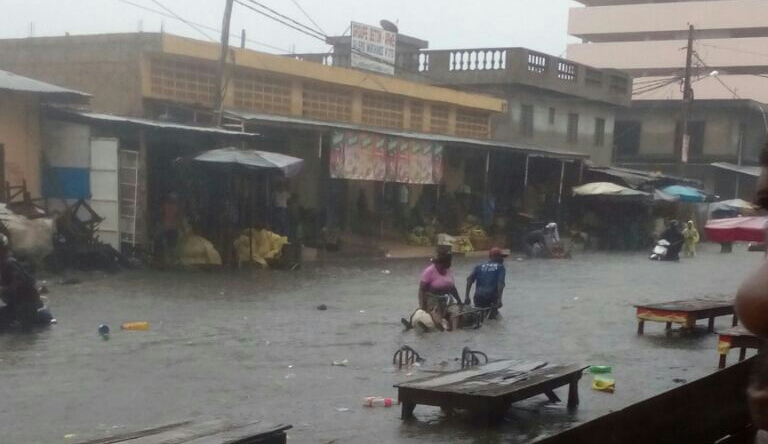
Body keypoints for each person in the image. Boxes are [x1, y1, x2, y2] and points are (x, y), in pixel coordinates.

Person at [0, 234, 53, 330]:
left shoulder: (9, 263)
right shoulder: (5, 263)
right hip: (18, 305)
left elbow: (17, 286)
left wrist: (3, 290)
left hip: (25, 307)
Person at [402, 250, 463, 332]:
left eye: (443, 264)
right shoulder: (429, 271)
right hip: (433, 301)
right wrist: (422, 306)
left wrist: (459, 301)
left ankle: (454, 331)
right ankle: (441, 328)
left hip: (447, 300)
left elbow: (453, 288)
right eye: (438, 264)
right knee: (435, 313)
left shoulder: (448, 271)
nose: (440, 266)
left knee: (455, 311)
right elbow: (421, 290)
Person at [466, 247, 507, 319]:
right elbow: (500, 283)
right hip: (491, 296)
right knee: (493, 320)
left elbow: (469, 279)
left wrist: (467, 296)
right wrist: (499, 299)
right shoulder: (500, 267)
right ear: (496, 257)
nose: (502, 259)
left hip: (478, 296)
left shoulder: (479, 266)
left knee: (479, 317)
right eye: (501, 257)